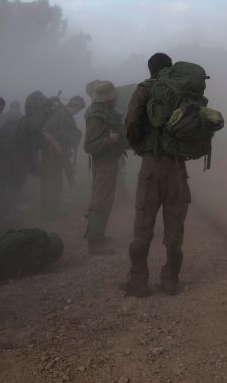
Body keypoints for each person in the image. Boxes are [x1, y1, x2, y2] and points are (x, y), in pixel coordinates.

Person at [122, 52, 189, 297]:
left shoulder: (144, 89)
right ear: (170, 68)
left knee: (142, 227)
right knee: (174, 229)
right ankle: (171, 280)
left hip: (151, 164)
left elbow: (130, 124)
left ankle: (139, 283)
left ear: (150, 70)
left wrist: (140, 148)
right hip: (177, 167)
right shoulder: (184, 91)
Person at [83, 81, 126, 255]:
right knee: (100, 199)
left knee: (105, 199)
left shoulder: (106, 112)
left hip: (110, 160)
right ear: (108, 98)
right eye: (114, 96)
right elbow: (89, 146)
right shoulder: (96, 116)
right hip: (103, 163)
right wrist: (111, 140)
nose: (116, 98)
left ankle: (98, 236)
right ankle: (94, 243)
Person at [39, 95, 85, 219]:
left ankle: (52, 210)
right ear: (74, 106)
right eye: (78, 109)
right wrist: (57, 146)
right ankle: (47, 214)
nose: (78, 112)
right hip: (51, 155)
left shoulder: (67, 115)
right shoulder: (60, 113)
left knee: (57, 183)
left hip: (58, 156)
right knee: (50, 184)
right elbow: (45, 130)